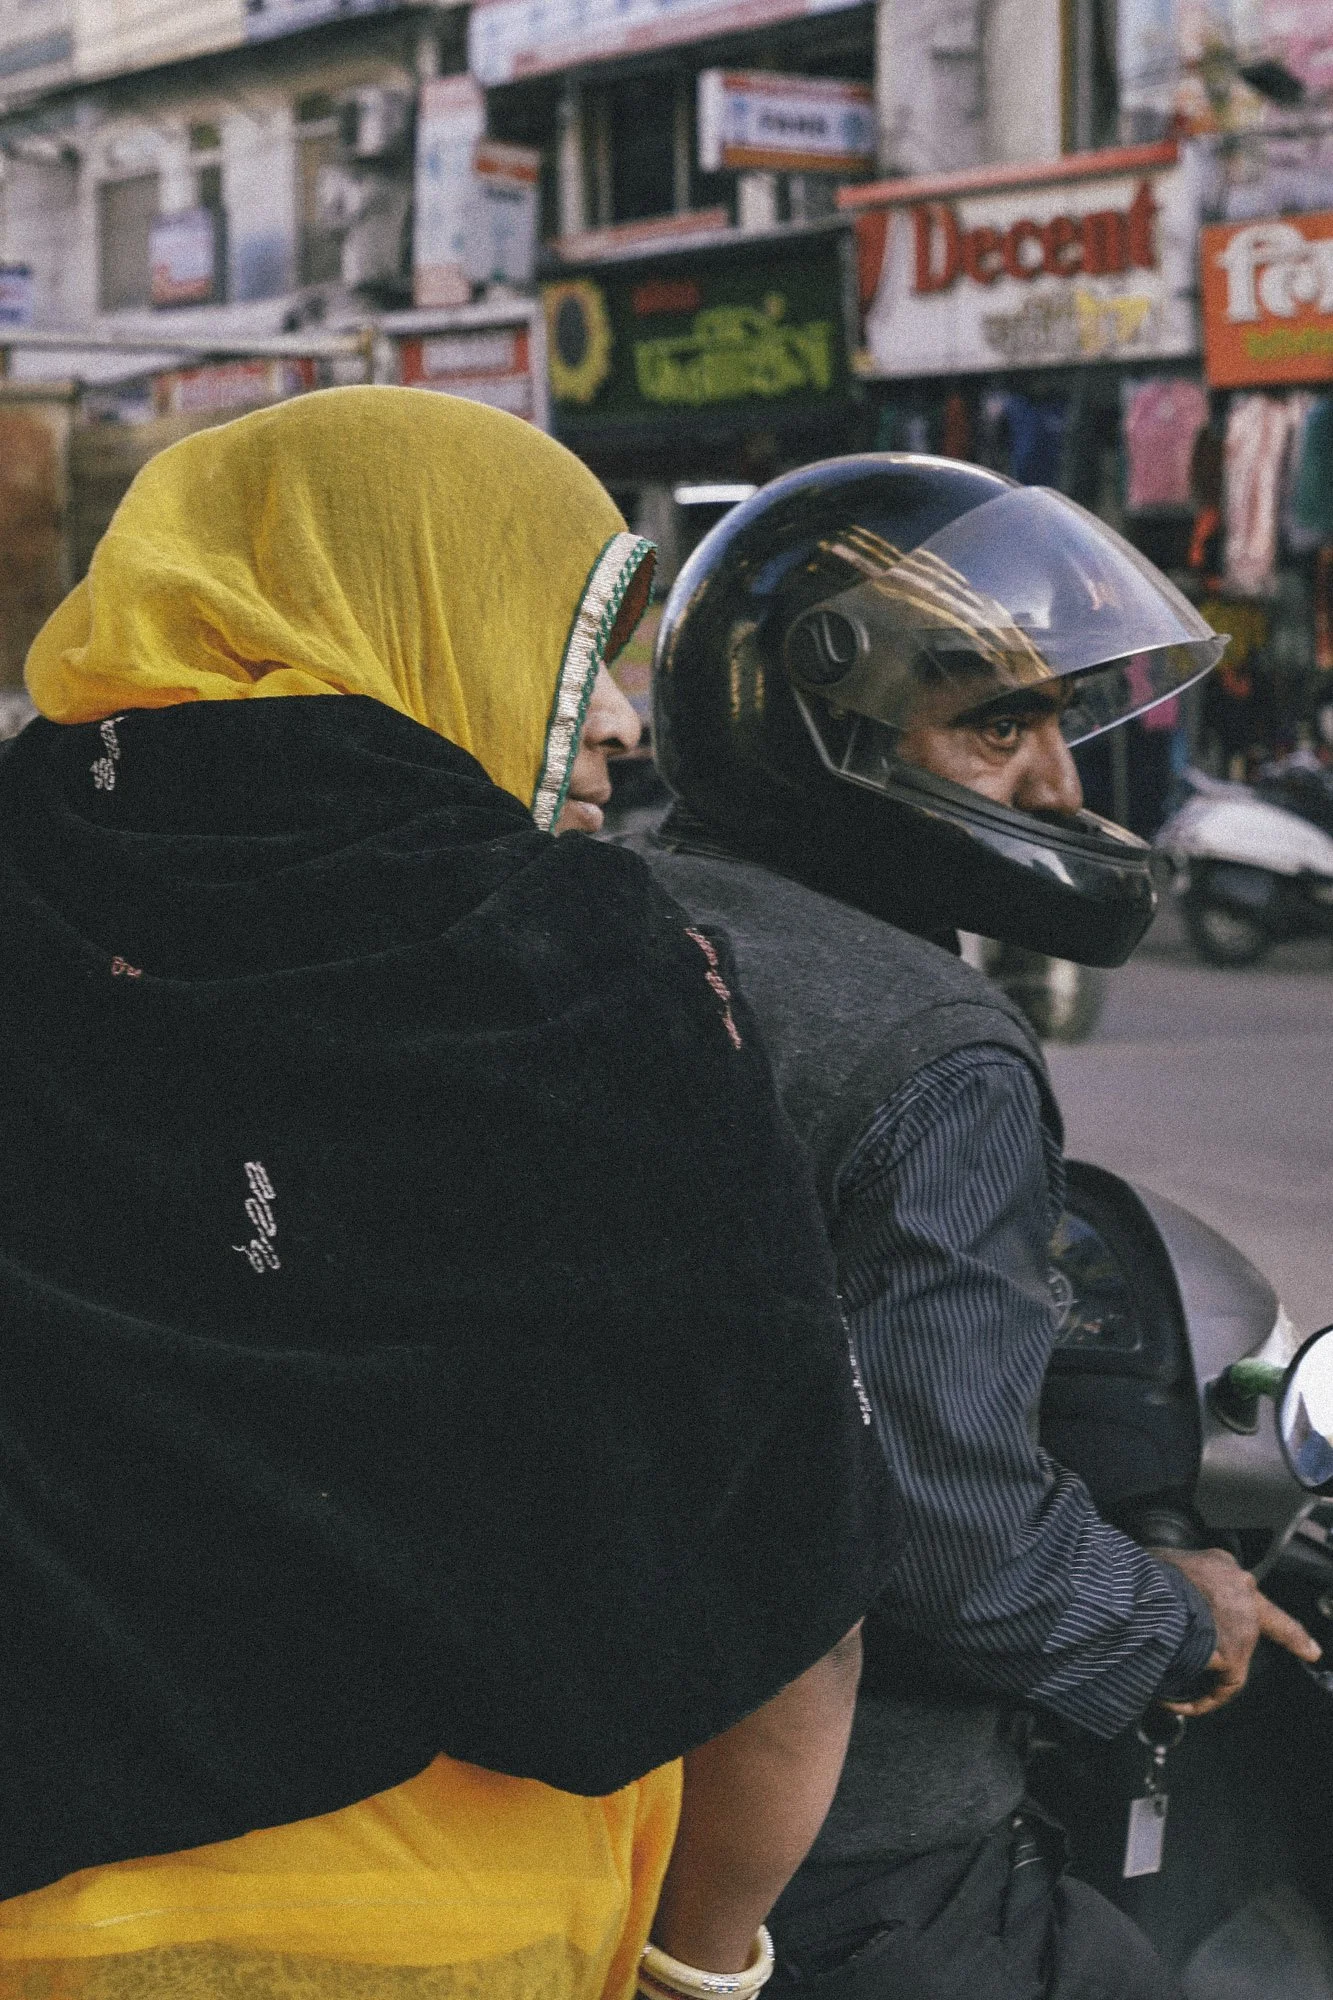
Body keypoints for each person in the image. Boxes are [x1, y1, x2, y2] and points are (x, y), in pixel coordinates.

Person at [0, 389, 897, 1997]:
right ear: (409, 617)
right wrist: (704, 1968)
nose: (621, 721)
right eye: (573, 645)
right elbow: (792, 1570)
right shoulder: (588, 974)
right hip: (441, 1939)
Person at [629, 454, 1323, 2000]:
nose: (1062, 786)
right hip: (858, 1857)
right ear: (824, 731)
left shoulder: (606, 911)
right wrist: (1169, 1619)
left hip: (593, 1791)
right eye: (997, 726)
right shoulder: (933, 1049)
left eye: (1061, 724)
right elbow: (950, 1544)